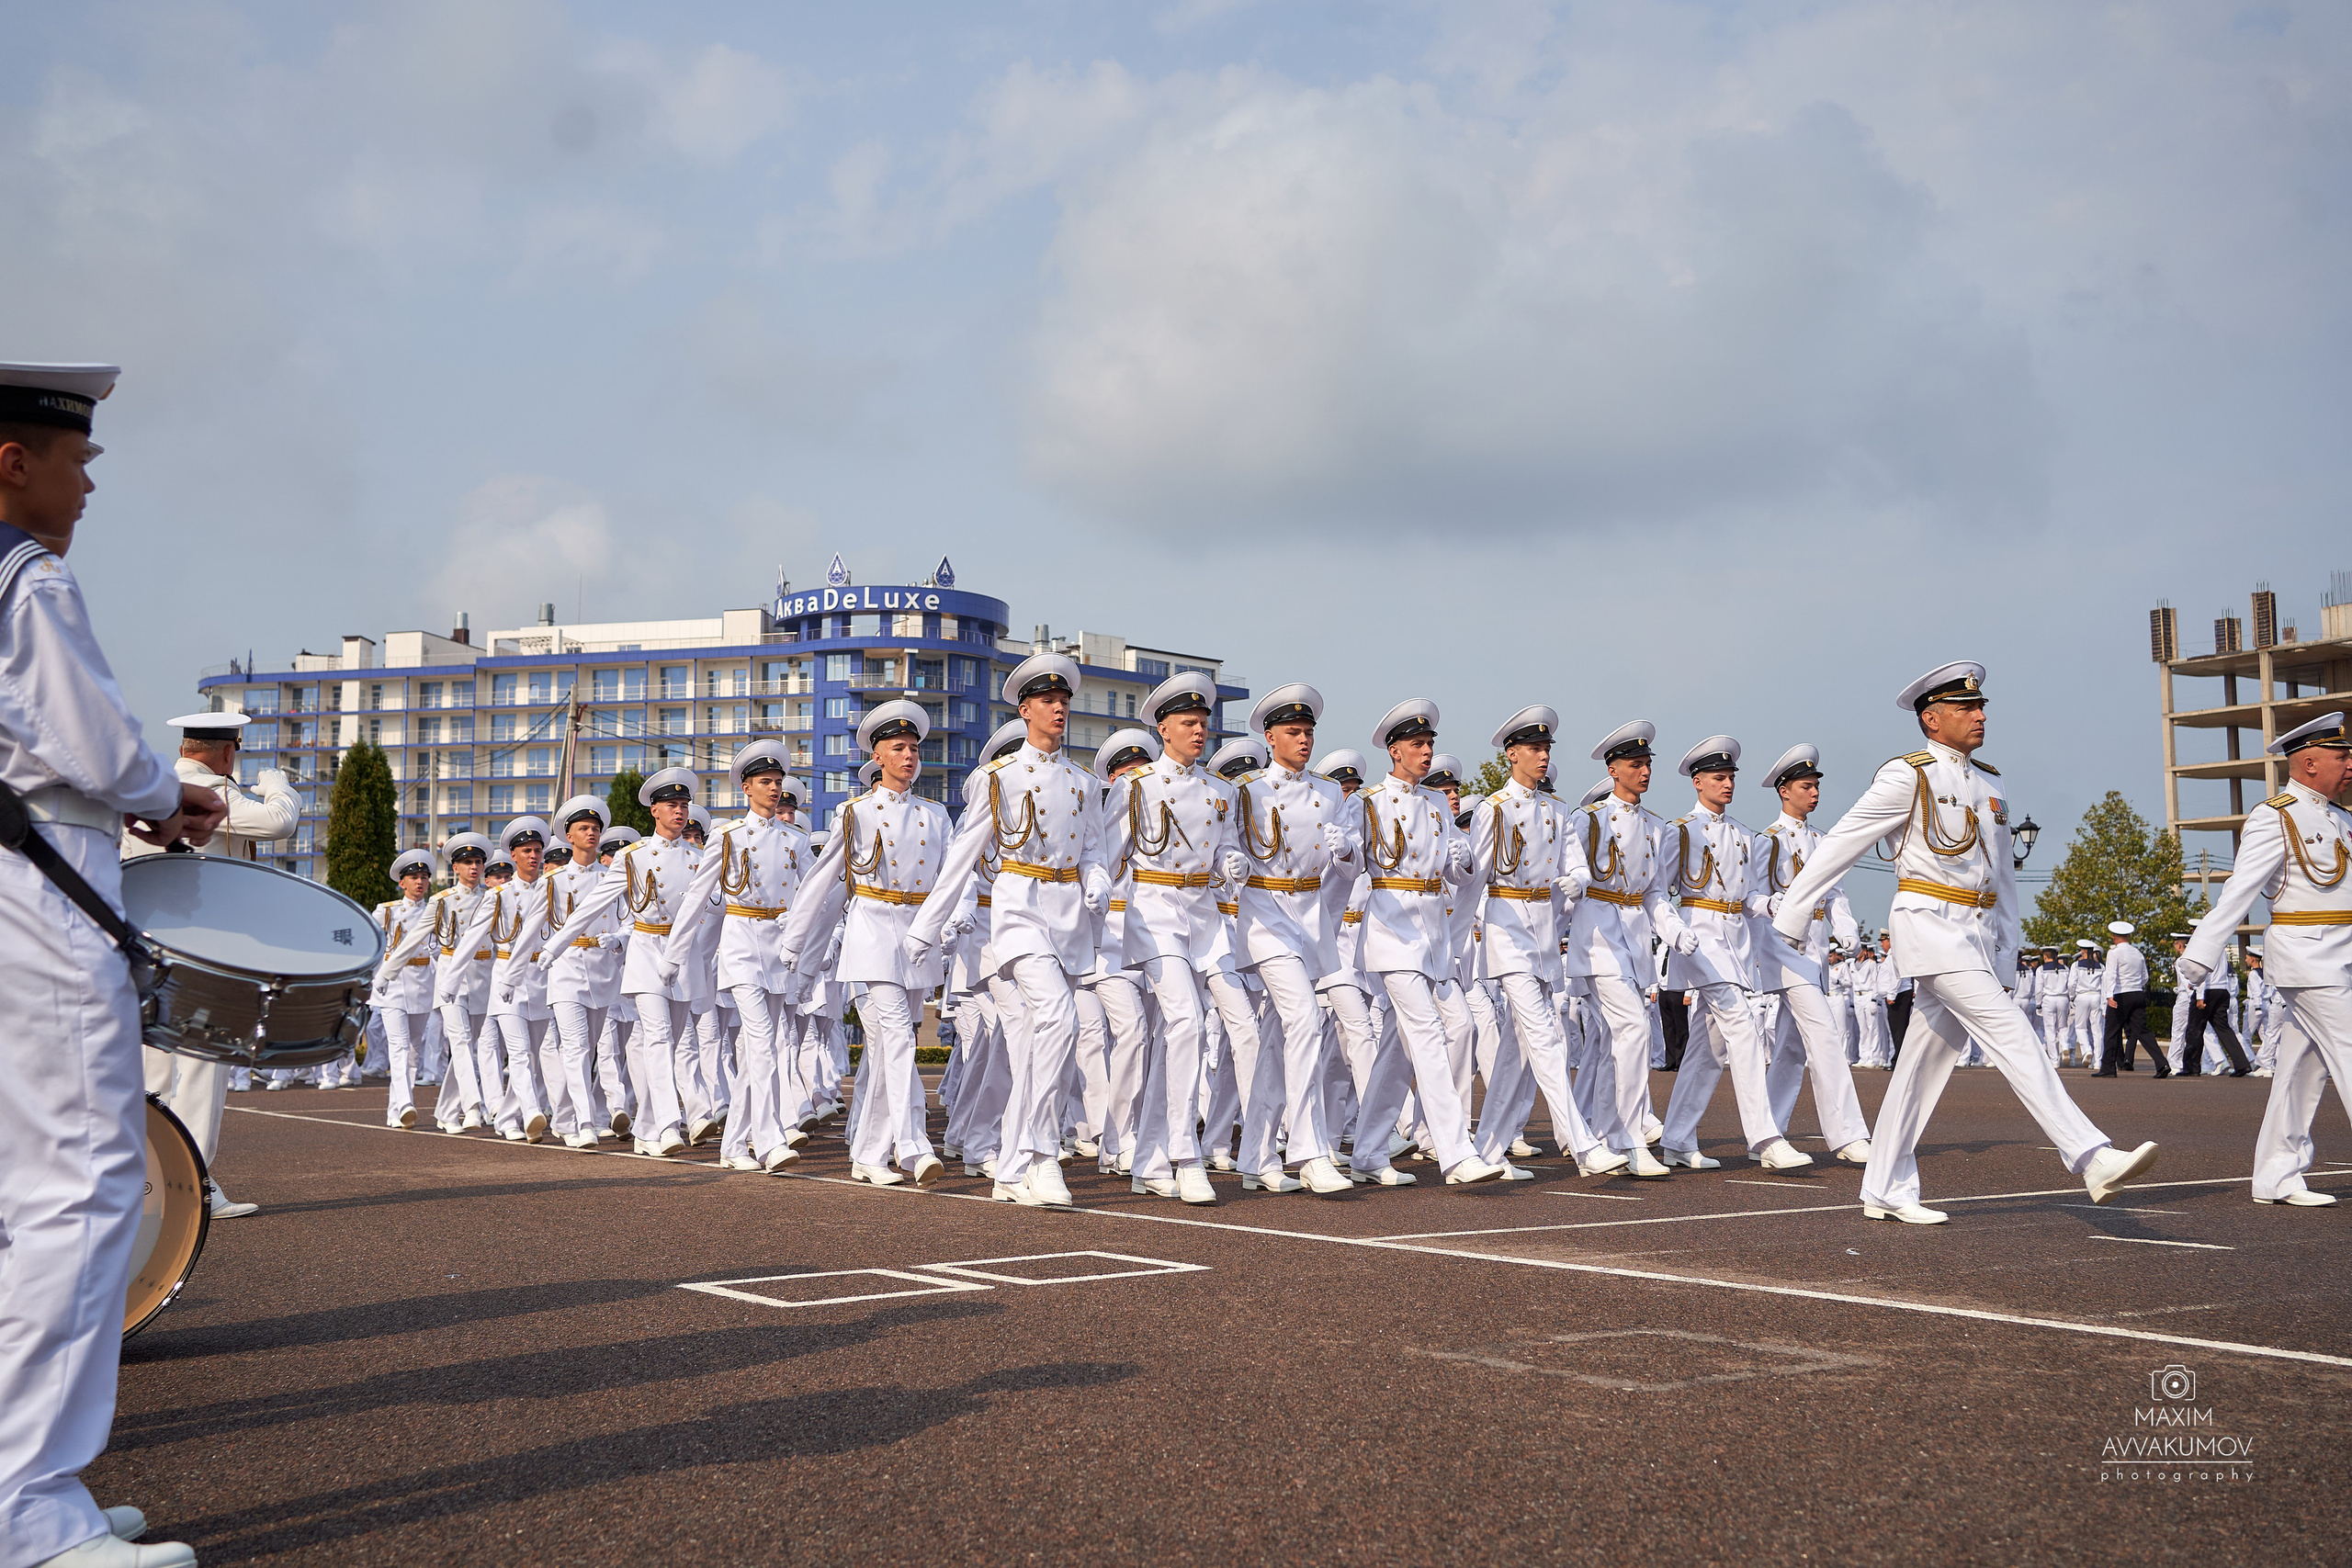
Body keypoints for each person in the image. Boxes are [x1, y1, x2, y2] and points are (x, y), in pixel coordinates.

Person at [2, 360, 223, 1568]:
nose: (87, 484)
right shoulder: (27, 578)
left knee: (25, 1192)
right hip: (34, 898)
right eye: (74, 459)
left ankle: (32, 1489)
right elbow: (94, 747)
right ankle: (28, 1506)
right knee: (85, 1186)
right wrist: (164, 790)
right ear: (11, 461)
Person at [1771, 660, 2156, 1224]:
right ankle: (2090, 1154)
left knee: (1920, 1069)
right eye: (1966, 708)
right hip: (1928, 924)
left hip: (1975, 935)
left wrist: (2007, 952)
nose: (1980, 716)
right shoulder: (1907, 775)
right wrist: (1792, 915)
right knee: (2011, 1032)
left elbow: (2003, 880)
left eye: (1981, 707)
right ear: (1931, 718)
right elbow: (1843, 843)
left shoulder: (1990, 782)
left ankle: (1885, 1188)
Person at [914, 661, 1111, 1204]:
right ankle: (1042, 1157)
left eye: (1064, 700)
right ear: (1025, 710)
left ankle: (1011, 1165)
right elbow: (962, 857)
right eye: (1047, 701)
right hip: (1018, 908)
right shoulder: (998, 778)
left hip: (1068, 917)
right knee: (1059, 1018)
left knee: (1045, 1039)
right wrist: (925, 928)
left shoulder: (1084, 782)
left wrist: (1097, 879)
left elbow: (1094, 850)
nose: (1059, 708)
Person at [122, 708, 299, 1216]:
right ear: (226, 751)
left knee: (156, 1072)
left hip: (149, 946)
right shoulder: (210, 789)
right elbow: (280, 822)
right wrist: (279, 785)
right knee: (203, 1063)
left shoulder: (151, 788)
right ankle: (192, 1184)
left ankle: (148, 1181)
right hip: (203, 949)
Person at [2177, 712, 2352, 1206]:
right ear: (2309, 763)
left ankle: (2277, 1175)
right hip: (2307, 956)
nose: (2350, 764)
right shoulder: (2275, 816)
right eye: (2342, 756)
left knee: (2300, 1070)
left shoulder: (2342, 819)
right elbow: (2240, 889)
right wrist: (2201, 953)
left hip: (2343, 954)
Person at [790, 702, 952, 1187]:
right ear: (877, 757)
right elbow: (822, 883)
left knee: (887, 1051)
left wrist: (949, 925)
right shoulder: (856, 812)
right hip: (874, 931)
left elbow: (951, 878)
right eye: (898, 748)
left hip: (918, 936)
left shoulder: (935, 815)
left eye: (914, 748)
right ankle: (913, 1145)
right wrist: (796, 943)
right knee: (899, 1037)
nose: (909, 756)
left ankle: (867, 1153)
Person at [1464, 705, 1627, 1178]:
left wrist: (1578, 879)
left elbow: (1576, 862)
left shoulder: (1557, 810)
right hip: (1506, 930)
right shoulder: (1493, 809)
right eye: (1534, 749)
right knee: (1546, 1037)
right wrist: (1455, 943)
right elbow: (1474, 880)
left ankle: (1487, 1150)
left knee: (1516, 1048)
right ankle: (1583, 1144)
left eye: (1546, 749)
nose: (1542, 756)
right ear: (1511, 754)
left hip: (1543, 932)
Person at [1355, 698, 1506, 1187]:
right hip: (1391, 931)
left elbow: (1457, 875)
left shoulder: (1437, 804)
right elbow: (1345, 869)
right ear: (1395, 751)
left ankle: (1368, 1150)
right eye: (1417, 744)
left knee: (1404, 1047)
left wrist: (1463, 859)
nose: (1426, 752)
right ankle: (1455, 1152)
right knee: (1427, 1033)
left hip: (1433, 935)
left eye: (1429, 744)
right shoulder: (1369, 802)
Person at [1648, 738, 1815, 1171]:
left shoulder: (1743, 834)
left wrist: (1770, 904)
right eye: (1719, 778)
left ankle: (1677, 1138)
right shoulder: (1680, 831)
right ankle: (1766, 1137)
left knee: (1709, 1047)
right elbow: (1657, 892)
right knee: (1742, 1028)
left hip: (1735, 940)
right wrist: (1673, 931)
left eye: (1731, 778)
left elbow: (1750, 895)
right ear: (1698, 782)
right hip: (1700, 937)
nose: (1727, 784)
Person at [1225, 683, 1358, 1195]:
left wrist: (1346, 851)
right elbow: (1224, 848)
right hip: (1264, 913)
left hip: (1309, 914)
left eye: (1308, 732)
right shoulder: (1247, 790)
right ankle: (1309, 1151)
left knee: (1277, 1037)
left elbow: (1351, 866)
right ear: (1270, 737)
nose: (1304, 740)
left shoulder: (1329, 792)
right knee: (1304, 1018)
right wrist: (1231, 867)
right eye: (1293, 732)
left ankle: (1256, 1156)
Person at [662, 743, 808, 1174]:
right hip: (742, 946)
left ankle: (732, 1145)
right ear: (746, 788)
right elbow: (696, 898)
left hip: (779, 950)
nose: (774, 789)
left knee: (760, 1050)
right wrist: (674, 954)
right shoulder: (728, 837)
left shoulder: (796, 839)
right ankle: (770, 1140)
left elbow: (814, 894)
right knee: (762, 1043)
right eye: (765, 782)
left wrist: (806, 931)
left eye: (778, 782)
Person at [1747, 743, 1872, 1163]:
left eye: (1816, 785)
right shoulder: (1768, 841)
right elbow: (1749, 895)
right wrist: (1771, 905)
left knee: (1790, 1049)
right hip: (1783, 948)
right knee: (1824, 1035)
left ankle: (1766, 1134)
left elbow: (1834, 892)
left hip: (1814, 951)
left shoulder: (1822, 840)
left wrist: (1846, 926)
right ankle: (1848, 1135)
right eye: (1806, 786)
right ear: (1784, 791)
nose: (1815, 793)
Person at [364, 849, 441, 1128]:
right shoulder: (387, 911)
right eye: (414, 877)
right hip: (393, 985)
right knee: (398, 1048)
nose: (420, 882)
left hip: (422, 984)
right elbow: (369, 942)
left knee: (413, 1050)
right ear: (402, 882)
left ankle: (395, 1110)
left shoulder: (436, 911)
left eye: (424, 877)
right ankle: (407, 1102)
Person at [2098, 919, 2162, 1076]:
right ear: (2128, 936)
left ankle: (2108, 1068)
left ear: (2114, 937)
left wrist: (2109, 995)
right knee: (2142, 1031)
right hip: (2137, 993)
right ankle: (2162, 1063)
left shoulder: (2114, 953)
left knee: (2112, 1032)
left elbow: (2111, 975)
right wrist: (2135, 986)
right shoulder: (2137, 953)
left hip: (2121, 995)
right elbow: (2145, 977)